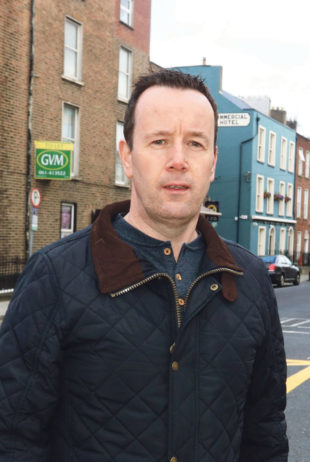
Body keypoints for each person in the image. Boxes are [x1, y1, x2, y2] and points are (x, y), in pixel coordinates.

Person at [0, 70, 288, 461]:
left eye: (195, 144)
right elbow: (14, 435)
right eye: (159, 141)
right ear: (127, 157)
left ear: (214, 161)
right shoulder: (55, 276)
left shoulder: (249, 280)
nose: (178, 161)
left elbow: (265, 430)